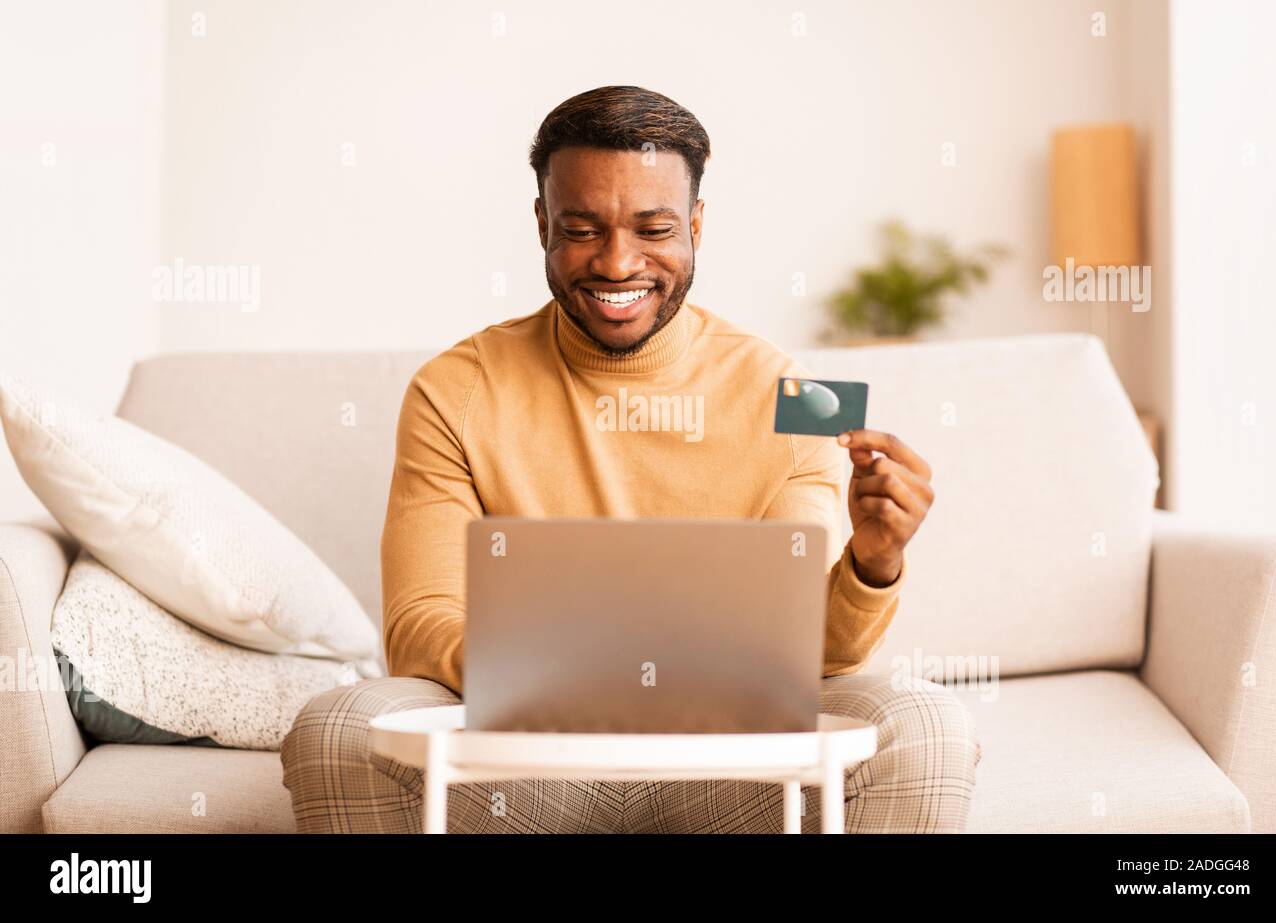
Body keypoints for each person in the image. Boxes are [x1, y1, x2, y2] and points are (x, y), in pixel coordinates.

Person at [281, 86, 980, 833]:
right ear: (542, 223)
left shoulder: (790, 392)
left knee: (927, 726)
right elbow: (420, 627)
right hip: (527, 769)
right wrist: (587, 675)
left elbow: (815, 654)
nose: (618, 264)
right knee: (337, 729)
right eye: (582, 229)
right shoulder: (455, 389)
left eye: (654, 229)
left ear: (696, 226)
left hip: (730, 770)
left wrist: (874, 562)